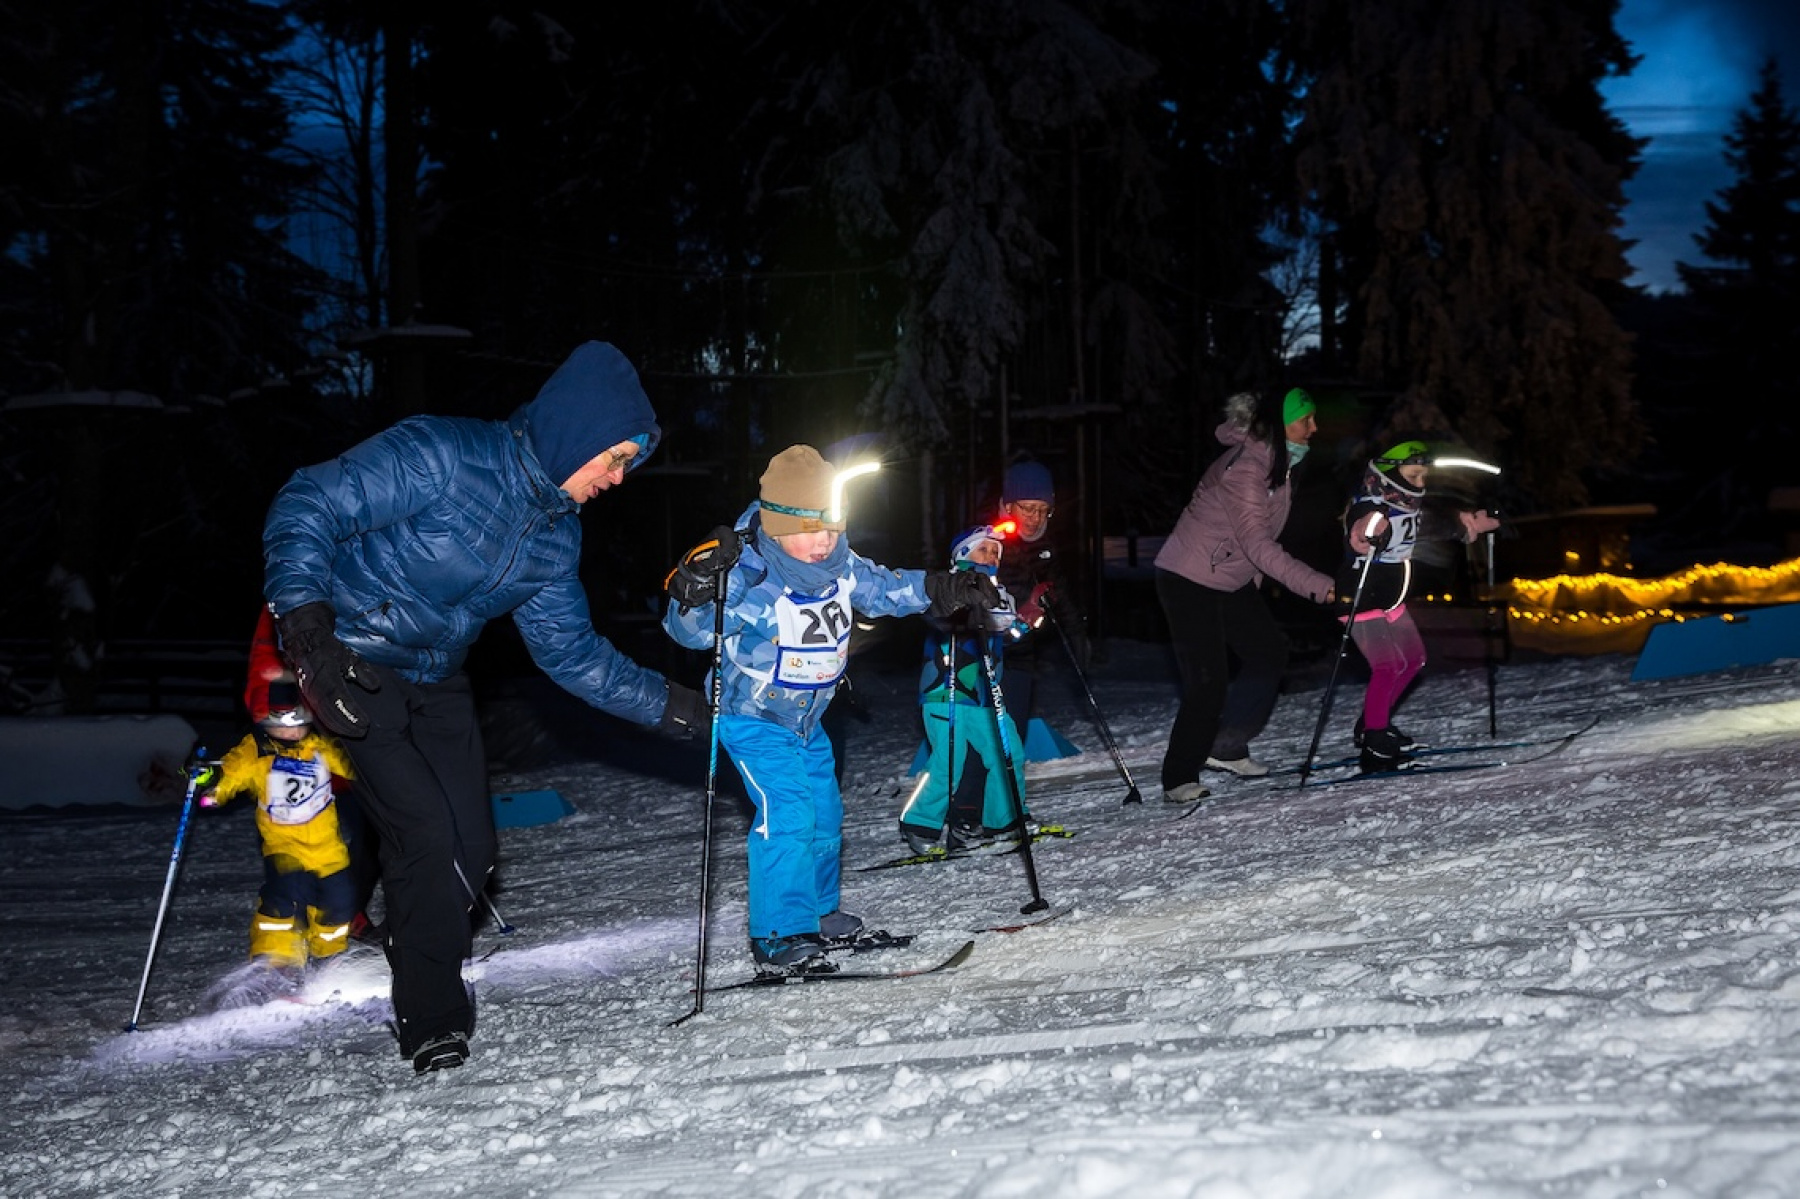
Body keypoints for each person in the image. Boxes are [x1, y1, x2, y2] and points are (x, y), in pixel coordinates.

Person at [263, 341, 704, 1074]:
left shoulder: (555, 538)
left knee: (472, 851)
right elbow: (306, 501)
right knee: (424, 835)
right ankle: (433, 1020)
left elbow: (573, 655)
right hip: (352, 663)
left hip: (438, 679)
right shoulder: (443, 454)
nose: (618, 478)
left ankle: (415, 939)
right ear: (575, 432)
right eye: (614, 458)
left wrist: (680, 706)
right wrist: (308, 631)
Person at [662, 445, 1000, 973]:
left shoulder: (840, 565)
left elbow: (888, 589)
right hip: (752, 719)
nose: (824, 540)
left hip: (808, 720)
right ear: (777, 526)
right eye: (810, 528)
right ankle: (778, 931)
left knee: (823, 813)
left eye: (833, 526)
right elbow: (688, 633)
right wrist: (695, 588)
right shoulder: (747, 573)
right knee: (789, 812)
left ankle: (816, 913)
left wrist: (944, 587)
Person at [1153, 388, 1337, 802]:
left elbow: (1254, 540)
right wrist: (1319, 586)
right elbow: (1258, 543)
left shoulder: (1277, 462)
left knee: (1268, 651)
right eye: (1305, 419)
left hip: (1228, 577)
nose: (1314, 427)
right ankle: (1178, 776)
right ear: (1280, 424)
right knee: (1208, 680)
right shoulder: (1248, 469)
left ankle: (1227, 745)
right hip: (1188, 577)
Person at [1337, 441, 1500, 772]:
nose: (1421, 483)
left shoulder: (1409, 508)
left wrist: (1470, 524)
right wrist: (1368, 531)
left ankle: (1372, 724)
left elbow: (1436, 525)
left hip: (1391, 599)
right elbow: (1361, 527)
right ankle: (1376, 747)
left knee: (1413, 659)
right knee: (1386, 665)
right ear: (1391, 474)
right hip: (1362, 599)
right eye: (1414, 476)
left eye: (1424, 476)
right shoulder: (1371, 504)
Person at [945, 457, 1086, 832]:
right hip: (985, 657)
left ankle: (1002, 812)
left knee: (1013, 734)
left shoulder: (1044, 547)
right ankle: (966, 810)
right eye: (1027, 508)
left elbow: (1058, 593)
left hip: (1020, 655)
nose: (1035, 518)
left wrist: (1077, 634)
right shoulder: (987, 543)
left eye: (1043, 510)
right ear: (1008, 505)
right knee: (985, 736)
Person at [196, 674, 360, 974]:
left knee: (339, 902)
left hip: (328, 850)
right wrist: (209, 781)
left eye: (297, 725)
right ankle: (275, 961)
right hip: (284, 846)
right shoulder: (257, 750)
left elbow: (355, 765)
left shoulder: (320, 746)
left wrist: (380, 770)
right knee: (287, 896)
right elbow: (230, 772)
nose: (290, 733)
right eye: (281, 726)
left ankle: (328, 958)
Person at [244, 606, 380, 938]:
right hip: (299, 738)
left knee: (377, 829)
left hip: (356, 728)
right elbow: (265, 661)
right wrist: (276, 716)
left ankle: (347, 913)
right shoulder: (288, 595)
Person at [900, 524, 1033, 855]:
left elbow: (1007, 636)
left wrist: (1026, 622)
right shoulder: (949, 586)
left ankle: (1004, 822)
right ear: (962, 555)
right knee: (949, 762)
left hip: (986, 694)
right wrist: (962, 604)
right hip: (946, 691)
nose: (990, 556)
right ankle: (919, 824)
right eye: (982, 549)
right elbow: (934, 617)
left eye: (995, 552)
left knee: (1008, 754)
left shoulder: (1000, 594)